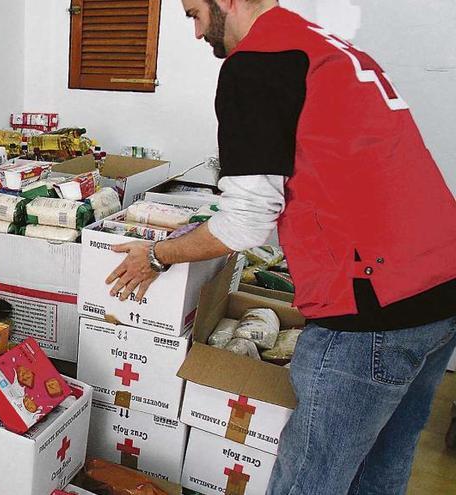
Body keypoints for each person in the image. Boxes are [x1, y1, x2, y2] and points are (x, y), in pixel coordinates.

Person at [105, 1, 456, 493]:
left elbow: (245, 224)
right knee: (383, 464)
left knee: (311, 480)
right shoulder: (326, 47)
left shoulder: (258, 63)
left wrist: (159, 254)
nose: (195, 31)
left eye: (192, 13)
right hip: (439, 286)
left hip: (370, 307)